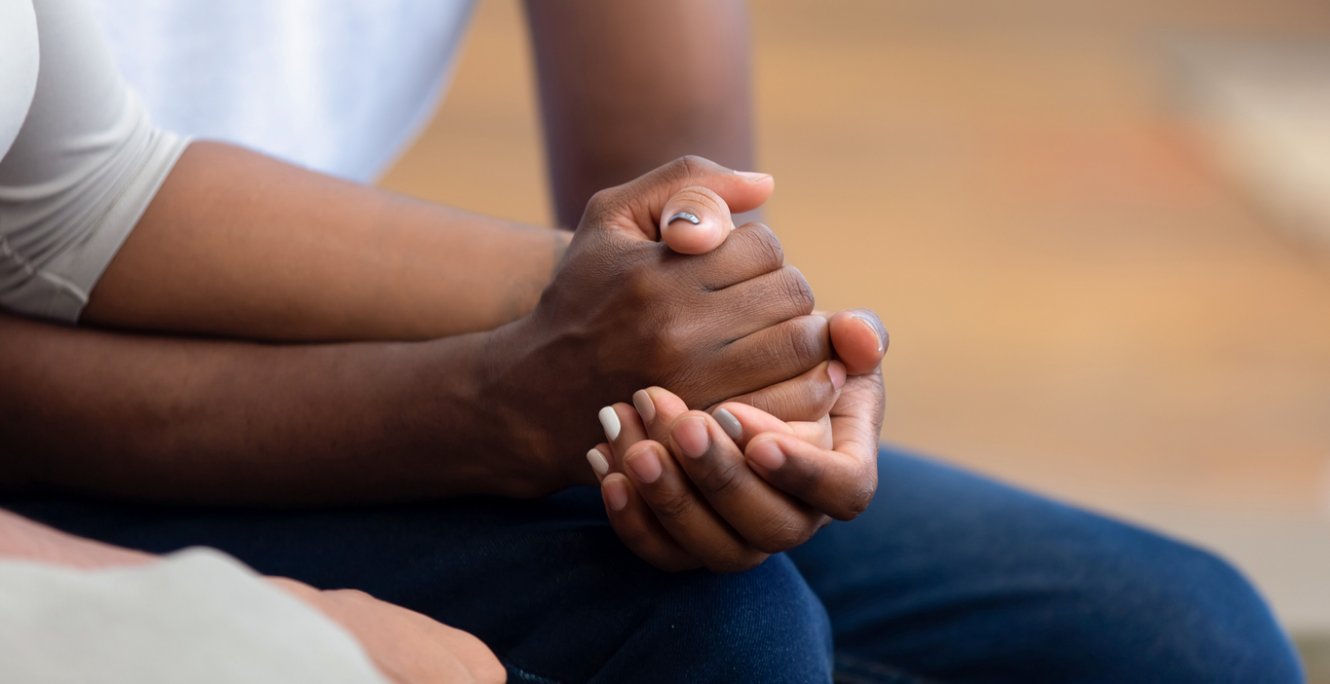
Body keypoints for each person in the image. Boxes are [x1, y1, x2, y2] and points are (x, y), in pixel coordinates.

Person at [0, 1, 1304, 682]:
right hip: (77, 418)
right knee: (709, 635)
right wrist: (486, 406)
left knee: (1174, 635)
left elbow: (87, 192)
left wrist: (745, 347)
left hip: (320, 321)